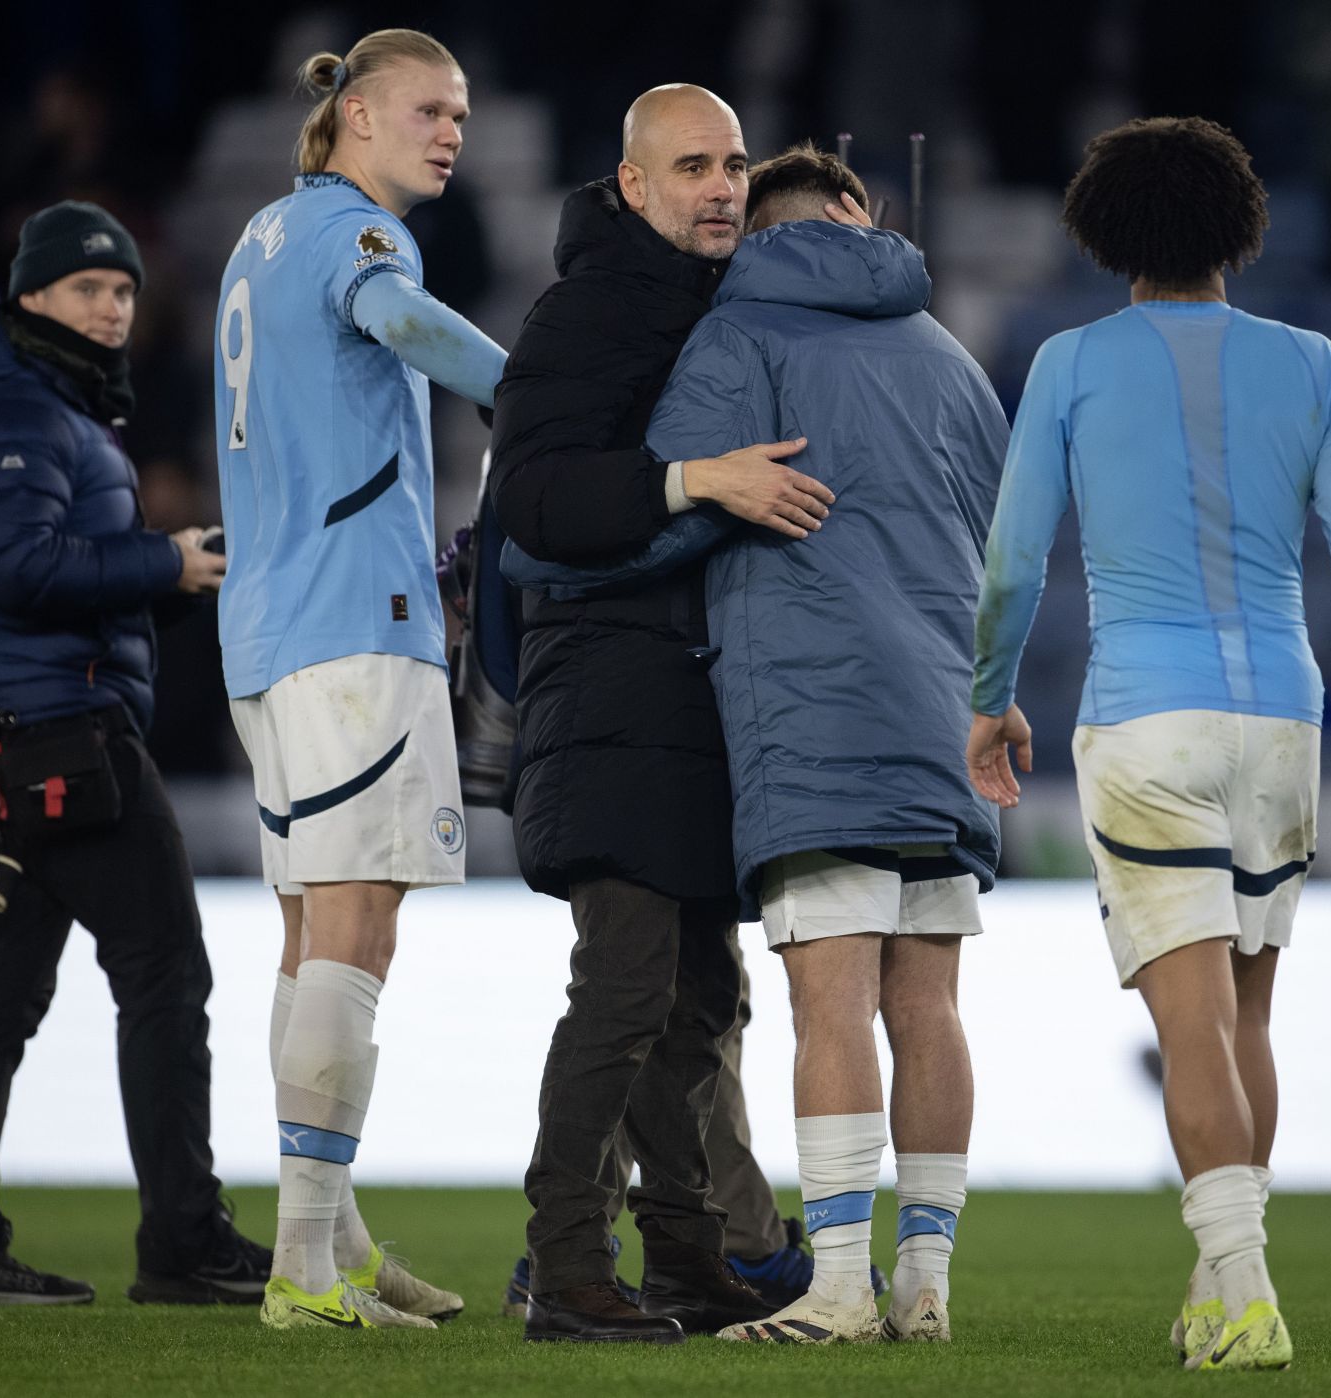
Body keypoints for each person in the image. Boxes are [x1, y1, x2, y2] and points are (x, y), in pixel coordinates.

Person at [966, 117, 1331, 1371]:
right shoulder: (1313, 362)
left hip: (1146, 719)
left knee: (1189, 1027)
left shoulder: (1072, 365)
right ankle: (1215, 1283)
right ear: (1240, 225)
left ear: (1103, 233)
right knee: (1245, 1023)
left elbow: (1016, 556)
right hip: (1279, 723)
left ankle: (1244, 1293)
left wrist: (989, 694)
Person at [505, 145, 1008, 1345]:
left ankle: (836, 1285)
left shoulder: (741, 337)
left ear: (764, 231)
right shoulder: (952, 357)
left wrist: (541, 558)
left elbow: (684, 514)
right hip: (945, 713)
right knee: (929, 1004)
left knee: (826, 1005)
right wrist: (997, 684)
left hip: (814, 714)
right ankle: (925, 1283)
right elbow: (1001, 545)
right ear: (862, 215)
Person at [488, 84, 832, 1345]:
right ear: (632, 185)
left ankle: (689, 1263)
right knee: (626, 992)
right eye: (692, 166)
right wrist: (700, 479)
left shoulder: (705, 308)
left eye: (735, 164)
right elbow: (533, 500)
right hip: (609, 691)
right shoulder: (587, 310)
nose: (722, 188)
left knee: (699, 1002)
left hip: (683, 702)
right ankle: (569, 1266)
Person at [0, 200, 268, 1306]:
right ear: (29, 300)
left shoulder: (33, 403)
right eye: (88, 290)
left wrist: (165, 571)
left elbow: (37, 571)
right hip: (52, 733)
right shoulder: (11, 407)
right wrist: (162, 562)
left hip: (10, 735)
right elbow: (21, 569)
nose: (113, 310)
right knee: (164, 973)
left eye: (123, 293)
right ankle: (183, 1245)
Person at [212, 28, 508, 1332]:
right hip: (350, 623)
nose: (453, 131)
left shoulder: (261, 237)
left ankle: (331, 1234)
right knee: (359, 924)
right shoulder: (358, 239)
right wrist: (530, 390)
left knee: (306, 928)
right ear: (360, 118)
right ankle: (302, 1265)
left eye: (460, 112)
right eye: (431, 109)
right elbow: (394, 319)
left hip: (269, 629)